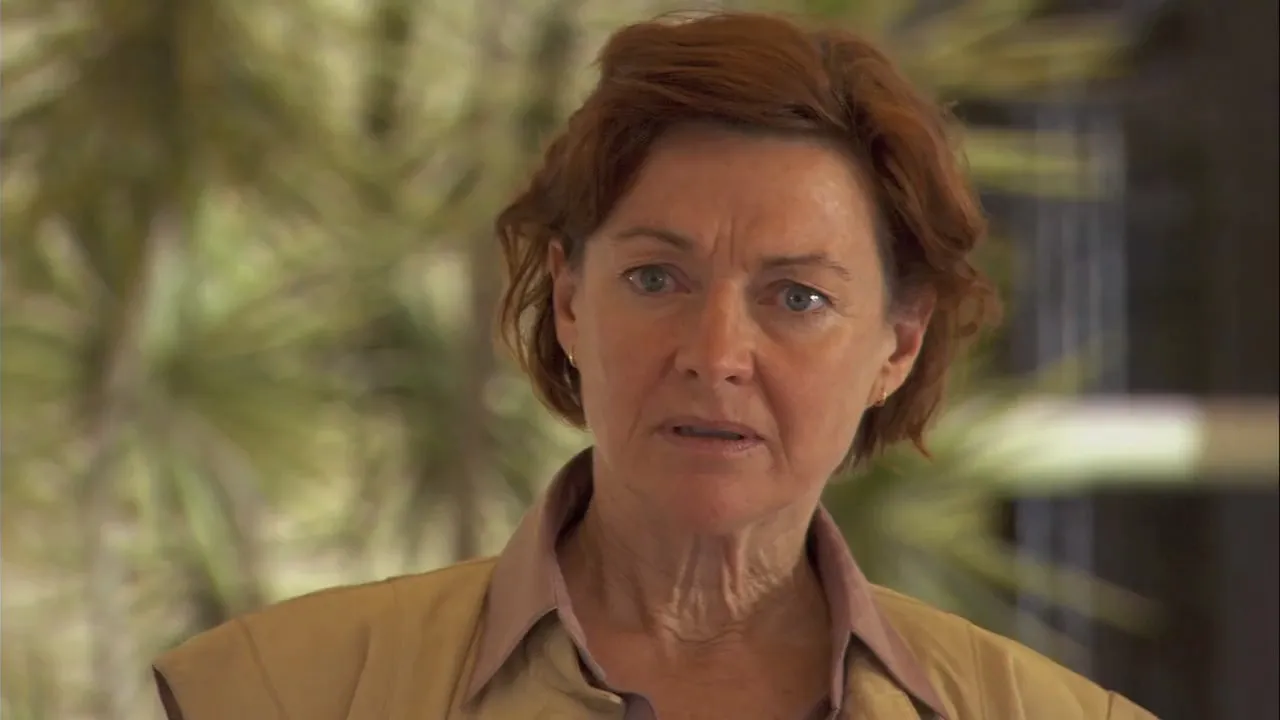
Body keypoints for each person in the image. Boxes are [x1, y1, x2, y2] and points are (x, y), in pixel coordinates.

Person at [154, 11, 1156, 720]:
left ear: (896, 345)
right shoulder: (280, 692)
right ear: (570, 300)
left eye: (797, 298)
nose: (714, 355)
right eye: (654, 278)